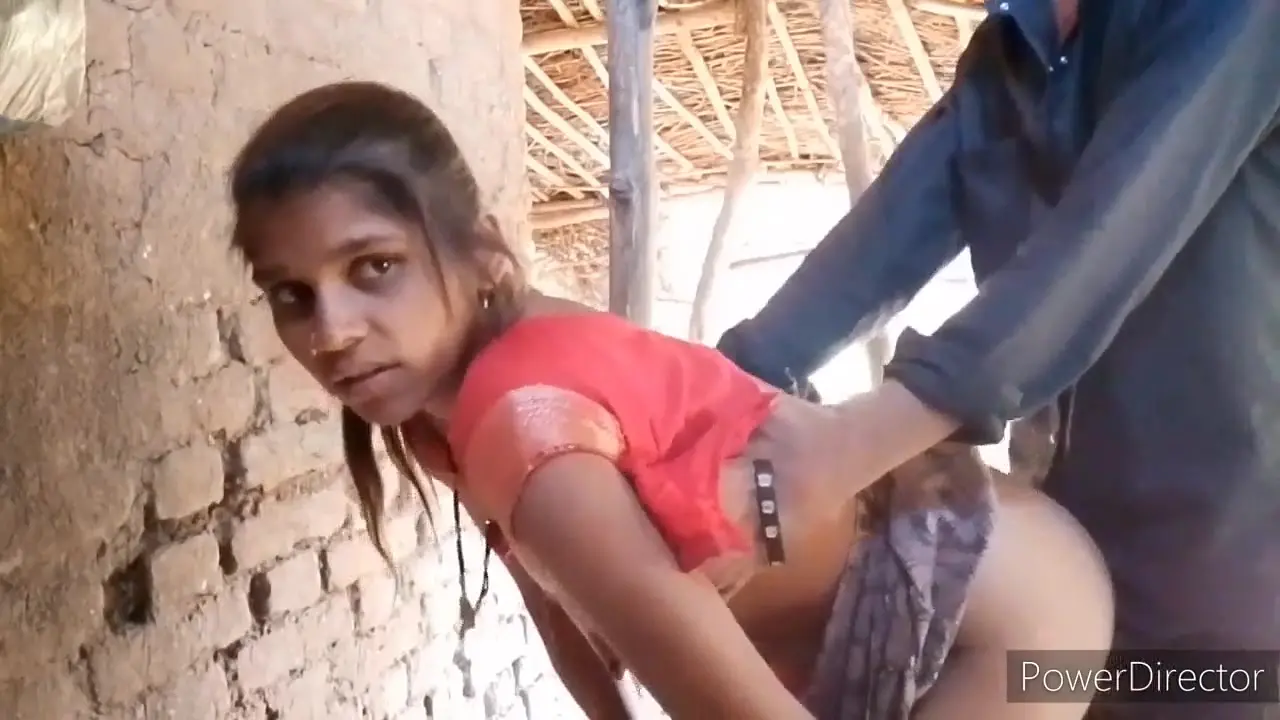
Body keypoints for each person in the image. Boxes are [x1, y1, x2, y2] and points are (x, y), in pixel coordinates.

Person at [227, 80, 1112, 719]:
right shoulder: (448, 412)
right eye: (291, 295)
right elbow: (551, 597)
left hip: (1010, 621)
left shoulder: (525, 423)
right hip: (951, 595)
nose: (331, 332)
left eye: (374, 267)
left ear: (483, 253)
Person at [716, 2, 1280, 719]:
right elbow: (866, 257)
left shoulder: (1234, 16)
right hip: (1079, 572)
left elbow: (1105, 245)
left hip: (1232, 607)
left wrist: (845, 448)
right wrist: (717, 392)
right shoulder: (1002, 61)